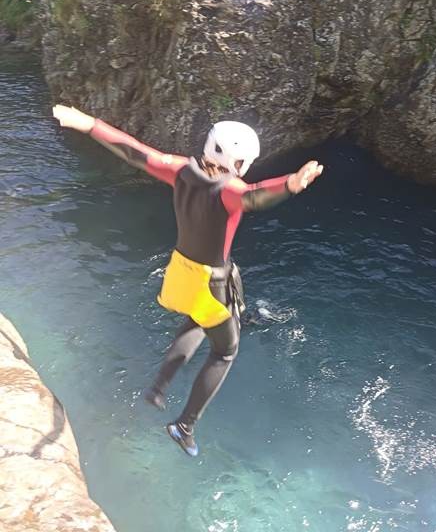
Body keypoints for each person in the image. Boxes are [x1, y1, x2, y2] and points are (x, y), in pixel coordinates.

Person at [52, 105, 323, 457]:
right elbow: (254, 196)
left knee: (200, 318)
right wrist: (290, 184)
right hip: (210, 283)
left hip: (181, 272)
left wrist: (89, 124)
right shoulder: (229, 190)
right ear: (240, 164)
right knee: (225, 351)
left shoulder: (180, 170)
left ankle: (160, 386)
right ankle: (184, 426)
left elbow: (136, 152)